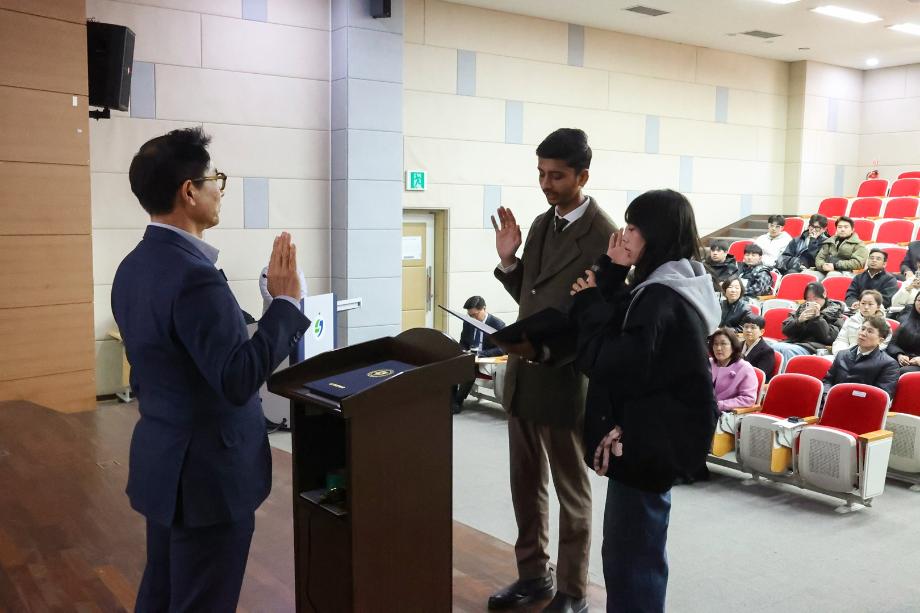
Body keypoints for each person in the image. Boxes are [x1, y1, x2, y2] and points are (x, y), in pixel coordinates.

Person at [111, 128, 310, 611]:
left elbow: (177, 363)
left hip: (165, 463)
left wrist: (270, 308)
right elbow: (237, 379)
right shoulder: (196, 276)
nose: (220, 190)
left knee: (161, 593)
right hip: (208, 478)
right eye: (214, 179)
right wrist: (286, 305)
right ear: (189, 192)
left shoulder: (133, 268)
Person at [569, 189, 719, 613]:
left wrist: (589, 302)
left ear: (658, 234)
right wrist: (612, 274)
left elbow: (612, 362)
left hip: (646, 440)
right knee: (635, 550)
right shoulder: (671, 284)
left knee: (631, 557)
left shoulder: (660, 296)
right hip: (651, 436)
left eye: (634, 227)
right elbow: (627, 324)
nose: (624, 235)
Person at [489, 128, 616, 612]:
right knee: (524, 484)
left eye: (557, 176)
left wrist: (546, 351)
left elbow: (598, 318)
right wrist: (508, 261)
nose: (546, 184)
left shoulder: (604, 235)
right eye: (541, 173)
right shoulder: (544, 223)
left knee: (571, 492)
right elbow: (533, 294)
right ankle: (532, 576)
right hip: (524, 375)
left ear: (583, 176)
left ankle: (572, 590)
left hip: (564, 377)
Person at [452, 295, 506, 414]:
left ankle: (458, 401)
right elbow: (463, 342)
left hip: (488, 358)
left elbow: (503, 349)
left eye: (475, 315)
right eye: (470, 315)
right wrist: (462, 351)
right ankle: (451, 399)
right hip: (471, 356)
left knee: (470, 366)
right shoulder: (468, 322)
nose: (473, 318)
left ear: (484, 309)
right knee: (452, 363)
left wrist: (481, 354)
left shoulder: (497, 324)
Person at [823, 316, 899, 400]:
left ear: (880, 340)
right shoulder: (842, 354)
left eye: (870, 331)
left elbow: (882, 396)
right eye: (862, 329)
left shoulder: (889, 364)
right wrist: (827, 395)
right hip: (833, 401)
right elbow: (827, 381)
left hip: (862, 405)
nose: (863, 333)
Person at [771, 282, 844, 363]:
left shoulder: (835, 312)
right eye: (809, 299)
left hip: (816, 347)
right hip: (797, 343)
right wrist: (798, 321)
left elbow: (830, 337)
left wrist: (817, 319)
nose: (812, 302)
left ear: (824, 295)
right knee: (773, 347)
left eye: (816, 299)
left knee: (787, 350)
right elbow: (785, 330)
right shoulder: (802, 309)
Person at [709, 328, 759, 411]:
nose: (718, 348)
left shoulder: (744, 368)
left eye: (723, 344)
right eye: (715, 344)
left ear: (733, 346)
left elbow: (748, 399)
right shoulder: (708, 363)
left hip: (726, 412)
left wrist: (720, 405)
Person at [833, 290, 890, 355]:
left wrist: (859, 355)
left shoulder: (884, 325)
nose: (866, 307)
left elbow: (882, 347)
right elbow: (841, 340)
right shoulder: (851, 320)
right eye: (863, 303)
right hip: (846, 355)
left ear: (878, 307)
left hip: (868, 358)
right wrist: (842, 354)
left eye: (870, 304)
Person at [887, 293, 920, 376]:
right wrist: (899, 355)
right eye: (919, 300)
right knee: (880, 362)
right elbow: (893, 343)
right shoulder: (908, 318)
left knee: (901, 371)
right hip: (903, 359)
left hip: (917, 364)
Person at [740, 315, 776, 380]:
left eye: (753, 327)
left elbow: (759, 376)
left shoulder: (767, 351)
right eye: (746, 327)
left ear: (761, 332)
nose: (748, 330)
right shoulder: (737, 345)